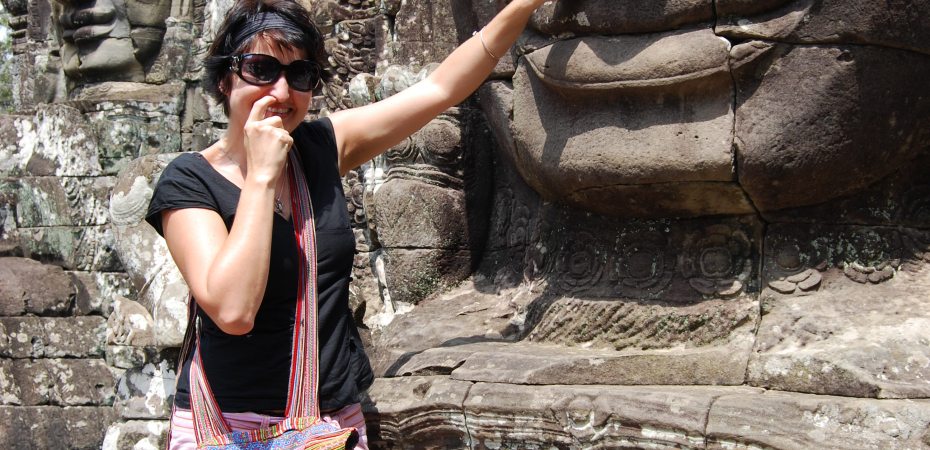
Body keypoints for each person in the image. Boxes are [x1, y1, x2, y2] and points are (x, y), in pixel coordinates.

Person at [144, 0, 549, 448]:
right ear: (225, 78)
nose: (281, 92)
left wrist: (523, 6)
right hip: (229, 426)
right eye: (261, 69)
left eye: (299, 76)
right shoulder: (190, 180)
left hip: (328, 424)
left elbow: (439, 89)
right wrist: (261, 176)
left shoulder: (321, 147)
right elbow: (233, 312)